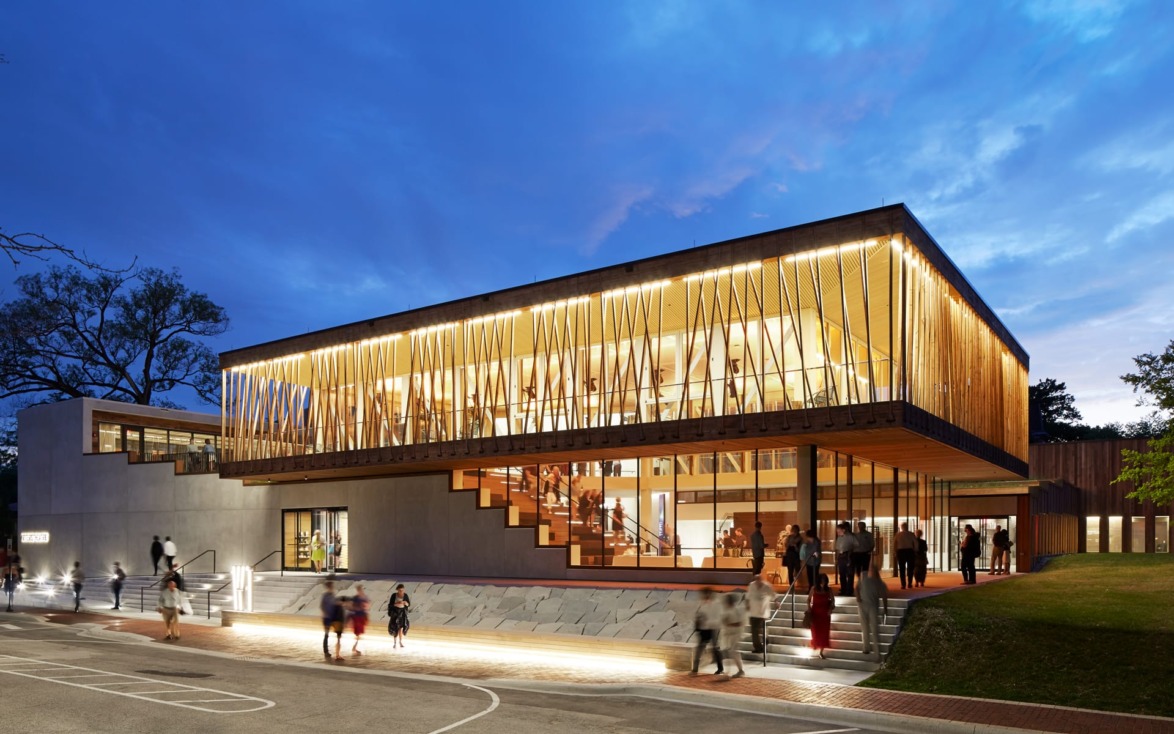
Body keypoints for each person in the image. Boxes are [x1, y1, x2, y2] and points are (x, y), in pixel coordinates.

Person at [855, 563, 888, 659]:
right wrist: (858, 597)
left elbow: (884, 596)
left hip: (873, 606)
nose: (871, 571)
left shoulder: (880, 583)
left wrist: (885, 609)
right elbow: (857, 587)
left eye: (873, 570)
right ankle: (866, 647)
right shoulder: (863, 576)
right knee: (864, 627)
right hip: (862, 604)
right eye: (870, 569)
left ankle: (877, 652)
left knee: (874, 628)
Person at [690, 587, 723, 675]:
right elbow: (699, 616)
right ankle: (695, 669)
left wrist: (706, 621)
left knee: (715, 649)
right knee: (700, 649)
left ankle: (720, 668)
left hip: (712, 629)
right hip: (704, 630)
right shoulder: (702, 604)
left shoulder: (715, 604)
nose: (704, 596)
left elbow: (718, 618)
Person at [807, 573, 835, 659]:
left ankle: (821, 652)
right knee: (815, 631)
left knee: (824, 633)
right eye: (822, 580)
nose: (823, 582)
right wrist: (809, 609)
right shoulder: (814, 588)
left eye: (824, 580)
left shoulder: (829, 590)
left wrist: (830, 608)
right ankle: (815, 644)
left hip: (825, 614)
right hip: (815, 613)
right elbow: (808, 599)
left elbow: (833, 600)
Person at [719, 593, 746, 678]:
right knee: (729, 652)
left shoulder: (736, 610)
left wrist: (728, 624)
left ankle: (740, 670)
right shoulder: (727, 610)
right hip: (728, 634)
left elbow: (739, 623)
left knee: (734, 652)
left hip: (735, 634)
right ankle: (728, 671)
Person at [746, 572, 773, 654]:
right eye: (756, 580)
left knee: (762, 629)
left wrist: (776, 602)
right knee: (754, 631)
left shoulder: (767, 586)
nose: (757, 582)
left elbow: (773, 595)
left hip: (763, 613)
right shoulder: (751, 585)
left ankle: (766, 640)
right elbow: (748, 596)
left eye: (759, 580)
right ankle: (758, 647)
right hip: (753, 613)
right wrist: (747, 605)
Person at [834, 522, 858, 596]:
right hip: (841, 555)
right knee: (842, 574)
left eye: (839, 530)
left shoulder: (850, 536)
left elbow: (856, 545)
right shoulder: (839, 538)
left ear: (843, 530)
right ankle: (843, 589)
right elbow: (837, 548)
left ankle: (849, 590)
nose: (837, 532)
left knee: (850, 574)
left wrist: (850, 551)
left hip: (848, 555)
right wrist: (837, 558)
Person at [893, 522, 917, 589]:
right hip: (910, 551)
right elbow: (915, 543)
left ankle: (903, 584)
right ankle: (909, 583)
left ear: (901, 527)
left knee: (902, 568)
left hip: (900, 551)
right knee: (910, 568)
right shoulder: (911, 534)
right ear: (907, 527)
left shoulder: (898, 535)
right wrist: (915, 550)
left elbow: (895, 544)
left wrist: (895, 552)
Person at [320, 580, 339, 660]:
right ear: (329, 586)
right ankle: (326, 651)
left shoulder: (332, 595)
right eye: (331, 586)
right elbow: (322, 606)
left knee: (337, 633)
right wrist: (326, 614)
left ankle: (336, 651)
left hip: (332, 617)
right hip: (327, 618)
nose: (332, 587)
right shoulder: (326, 595)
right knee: (327, 634)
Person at [388, 583, 411, 648]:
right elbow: (391, 604)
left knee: (401, 628)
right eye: (400, 590)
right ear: (397, 590)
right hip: (395, 612)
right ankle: (395, 643)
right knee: (395, 627)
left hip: (402, 612)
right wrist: (397, 603)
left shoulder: (405, 595)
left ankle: (400, 642)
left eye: (402, 590)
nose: (401, 591)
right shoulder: (394, 595)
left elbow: (408, 604)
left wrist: (405, 603)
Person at [350, 584, 369, 656]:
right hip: (357, 617)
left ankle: (355, 647)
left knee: (359, 634)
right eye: (360, 590)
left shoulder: (363, 597)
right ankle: (354, 647)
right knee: (358, 633)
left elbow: (366, 606)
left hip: (361, 617)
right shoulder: (356, 598)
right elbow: (353, 607)